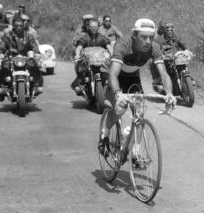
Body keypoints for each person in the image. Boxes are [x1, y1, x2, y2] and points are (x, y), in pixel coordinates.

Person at [98, 18, 176, 154]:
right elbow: (113, 74)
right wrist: (118, 93)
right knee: (119, 108)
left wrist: (169, 93)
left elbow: (164, 74)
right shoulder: (123, 44)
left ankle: (135, 152)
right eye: (143, 37)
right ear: (134, 35)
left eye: (151, 37)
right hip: (111, 73)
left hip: (132, 75)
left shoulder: (154, 47)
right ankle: (105, 135)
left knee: (139, 112)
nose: (148, 41)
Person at [0, 16, 43, 101]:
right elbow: (1, 46)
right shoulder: (7, 36)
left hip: (26, 59)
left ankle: (35, 86)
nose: (19, 27)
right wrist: (1, 53)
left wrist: (36, 53)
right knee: (3, 67)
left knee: (35, 67)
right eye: (17, 25)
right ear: (13, 25)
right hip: (11, 58)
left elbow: (34, 46)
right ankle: (3, 87)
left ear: (23, 26)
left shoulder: (29, 36)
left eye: (21, 25)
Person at [71, 19, 113, 95]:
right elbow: (79, 47)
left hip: (101, 62)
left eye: (95, 27)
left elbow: (109, 46)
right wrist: (77, 55)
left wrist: (113, 55)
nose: (94, 29)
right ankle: (78, 85)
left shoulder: (102, 38)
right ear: (88, 27)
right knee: (81, 70)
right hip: (88, 63)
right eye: (92, 27)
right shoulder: (85, 38)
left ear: (98, 27)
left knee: (110, 72)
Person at [150, 22, 189, 91]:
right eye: (167, 30)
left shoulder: (176, 38)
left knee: (183, 65)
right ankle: (161, 82)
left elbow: (183, 46)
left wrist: (186, 51)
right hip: (166, 61)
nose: (169, 32)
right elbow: (157, 50)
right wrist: (162, 56)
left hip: (176, 59)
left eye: (171, 30)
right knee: (159, 68)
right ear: (165, 31)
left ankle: (188, 79)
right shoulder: (160, 40)